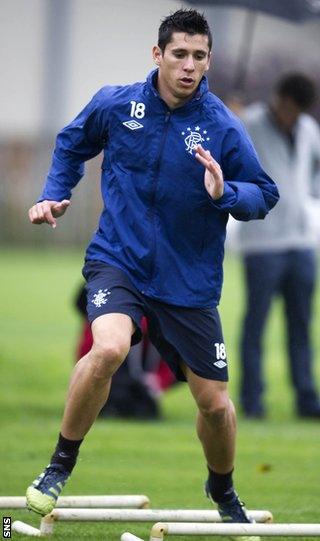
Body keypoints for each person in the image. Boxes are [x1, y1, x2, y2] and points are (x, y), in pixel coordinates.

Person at [26, 9, 279, 525]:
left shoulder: (222, 126)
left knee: (214, 405)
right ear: (158, 54)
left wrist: (225, 191)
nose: (189, 66)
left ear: (210, 61)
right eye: (180, 54)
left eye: (199, 57)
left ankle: (223, 489)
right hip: (118, 259)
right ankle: (57, 467)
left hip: (188, 281)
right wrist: (54, 193)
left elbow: (264, 193)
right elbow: (72, 143)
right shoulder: (116, 104)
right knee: (111, 347)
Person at [237, 73, 320, 419]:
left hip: (301, 240)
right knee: (257, 322)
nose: (290, 116)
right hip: (263, 242)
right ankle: (253, 400)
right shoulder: (248, 124)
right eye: (287, 108)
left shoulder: (309, 129)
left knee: (301, 323)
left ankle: (306, 397)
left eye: (297, 111)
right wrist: (227, 116)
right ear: (277, 97)